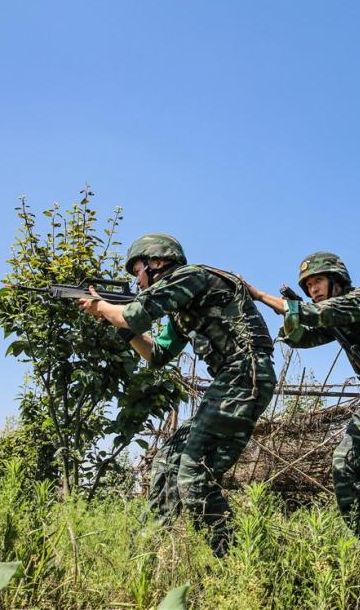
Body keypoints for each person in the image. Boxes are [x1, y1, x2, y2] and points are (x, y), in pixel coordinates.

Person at [78, 233, 276, 557]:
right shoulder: (182, 306)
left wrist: (103, 306)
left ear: (156, 263)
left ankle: (237, 560)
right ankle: (147, 553)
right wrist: (120, 326)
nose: (137, 281)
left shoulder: (190, 277)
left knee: (195, 476)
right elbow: (157, 354)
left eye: (137, 271)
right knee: (167, 461)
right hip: (231, 380)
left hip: (245, 374)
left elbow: (132, 314)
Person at [246, 252, 360, 565]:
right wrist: (291, 319)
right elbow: (301, 338)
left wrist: (260, 295)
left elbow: (313, 314)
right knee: (344, 465)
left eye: (318, 281)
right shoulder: (335, 318)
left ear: (337, 280)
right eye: (308, 285)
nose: (313, 289)